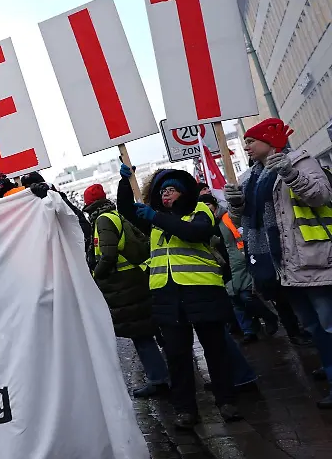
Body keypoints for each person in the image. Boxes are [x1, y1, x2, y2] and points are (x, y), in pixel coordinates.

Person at [117, 164, 242, 427]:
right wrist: (124, 183)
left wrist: (156, 217)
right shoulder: (155, 218)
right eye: (162, 191)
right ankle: (185, 409)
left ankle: (227, 401)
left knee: (216, 352)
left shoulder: (199, 211)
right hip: (168, 297)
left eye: (171, 190)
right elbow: (126, 210)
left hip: (202, 292)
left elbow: (193, 233)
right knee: (177, 357)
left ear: (184, 193)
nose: (165, 195)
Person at [226, 118, 332, 408]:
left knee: (327, 322)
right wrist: (236, 204)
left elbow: (321, 195)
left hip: (311, 256)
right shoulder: (252, 176)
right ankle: (328, 364)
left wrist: (290, 174)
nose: (246, 146)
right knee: (311, 324)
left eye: (251, 141)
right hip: (281, 261)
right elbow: (244, 220)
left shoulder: (299, 161)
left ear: (270, 142)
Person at [82, 183, 169, 398]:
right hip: (132, 282)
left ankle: (158, 379)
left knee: (141, 335)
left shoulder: (102, 220)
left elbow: (108, 255)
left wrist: (96, 275)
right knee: (147, 331)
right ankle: (165, 374)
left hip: (123, 285)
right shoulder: (113, 215)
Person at [201, 193, 278, 343]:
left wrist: (246, 255)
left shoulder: (226, 218)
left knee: (246, 296)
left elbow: (240, 236)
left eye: (208, 205)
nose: (207, 209)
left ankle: (268, 317)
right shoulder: (207, 223)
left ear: (214, 204)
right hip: (226, 266)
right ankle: (249, 330)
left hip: (240, 262)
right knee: (234, 299)